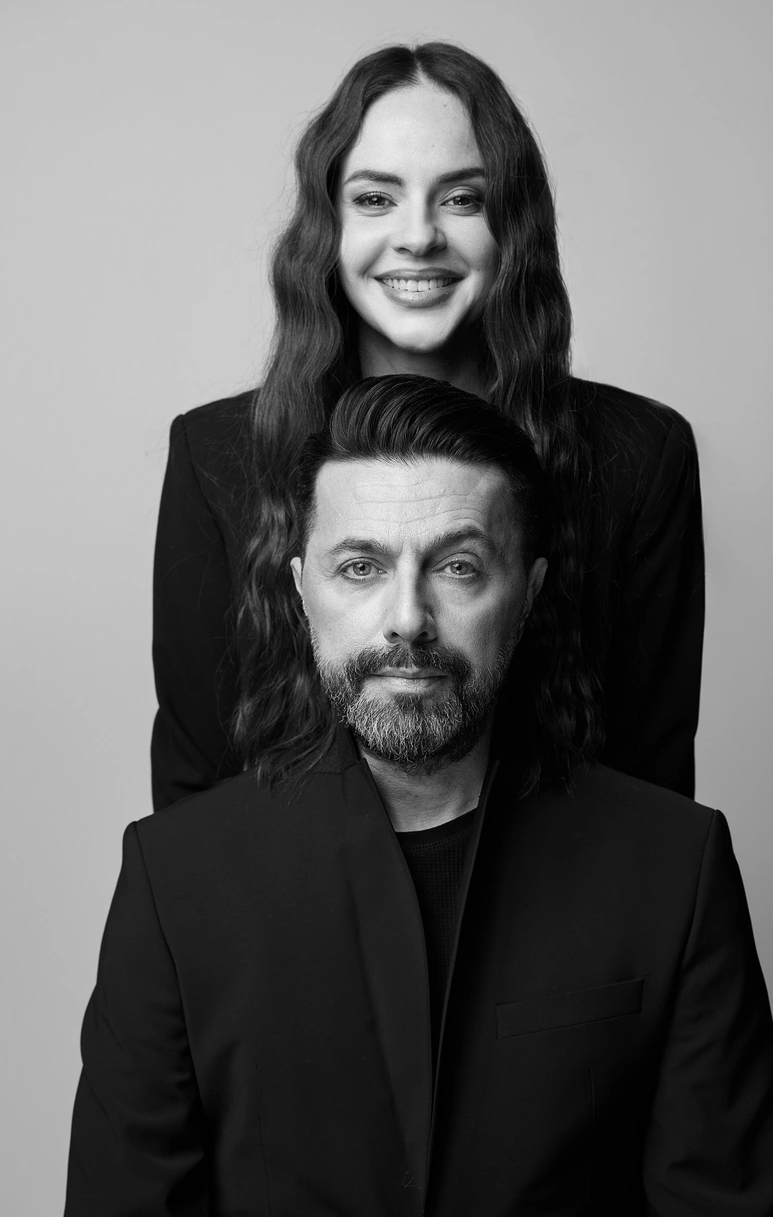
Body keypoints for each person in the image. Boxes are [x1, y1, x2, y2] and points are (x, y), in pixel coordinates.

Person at [68, 378, 773, 1216]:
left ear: (529, 592)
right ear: (300, 591)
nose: (407, 618)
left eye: (457, 567)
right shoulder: (174, 879)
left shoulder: (674, 868)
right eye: (360, 567)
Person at [151, 41, 705, 811]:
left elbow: (653, 802)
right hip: (282, 887)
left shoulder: (636, 455)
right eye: (376, 199)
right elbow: (194, 797)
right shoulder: (217, 455)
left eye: (462, 199)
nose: (418, 236)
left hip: (563, 889)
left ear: (513, 227)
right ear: (327, 227)